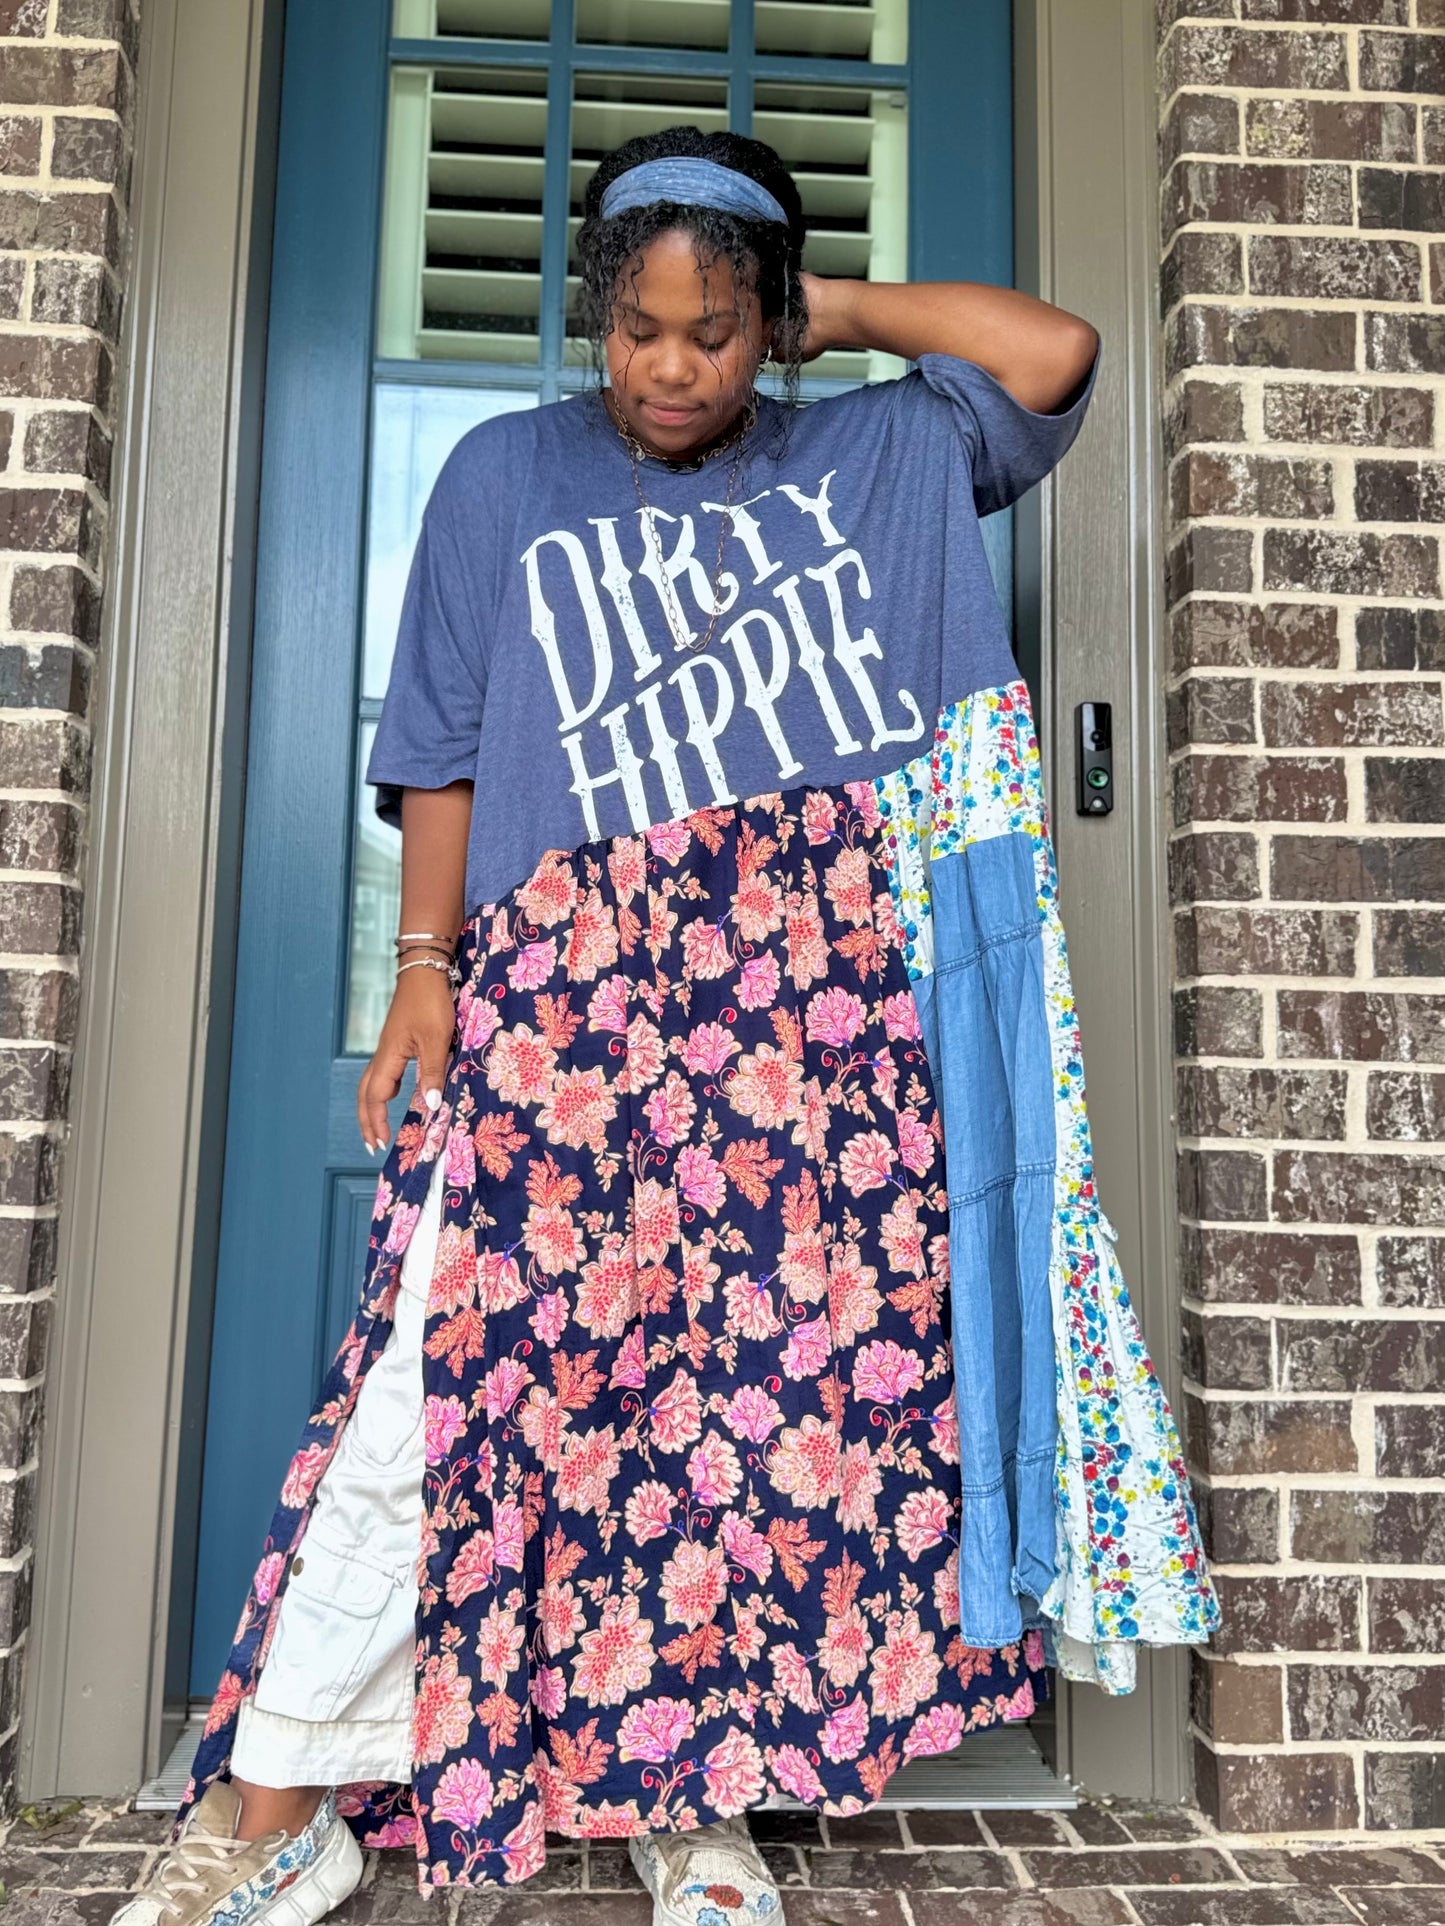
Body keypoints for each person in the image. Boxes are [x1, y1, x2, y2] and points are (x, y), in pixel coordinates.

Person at [117, 123, 1107, 1926]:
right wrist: (423, 962)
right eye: (637, 328)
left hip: (800, 1019)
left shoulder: (872, 450)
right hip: (558, 1001)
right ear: (591, 314)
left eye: (713, 331)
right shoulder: (503, 474)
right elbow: (439, 740)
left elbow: (1050, 355)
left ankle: (693, 1804)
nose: (669, 367)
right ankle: (279, 1803)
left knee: (747, 1405)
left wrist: (828, 313)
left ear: (765, 322)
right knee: (437, 1386)